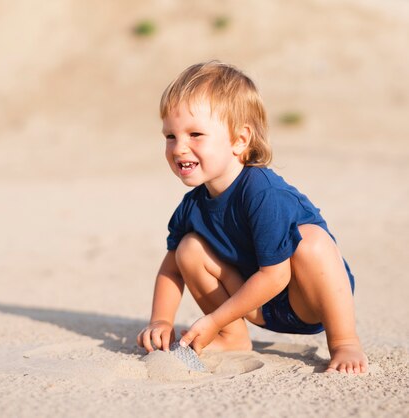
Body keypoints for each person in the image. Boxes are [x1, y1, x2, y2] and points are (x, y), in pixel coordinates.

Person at [136, 61, 368, 374]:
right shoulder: (192, 206)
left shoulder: (262, 191)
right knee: (187, 249)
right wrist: (160, 320)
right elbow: (171, 271)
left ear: (240, 140)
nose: (179, 148)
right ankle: (233, 338)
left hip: (308, 297)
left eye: (195, 134)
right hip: (256, 302)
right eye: (170, 136)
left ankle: (344, 341)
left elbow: (277, 275)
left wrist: (214, 319)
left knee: (312, 241)